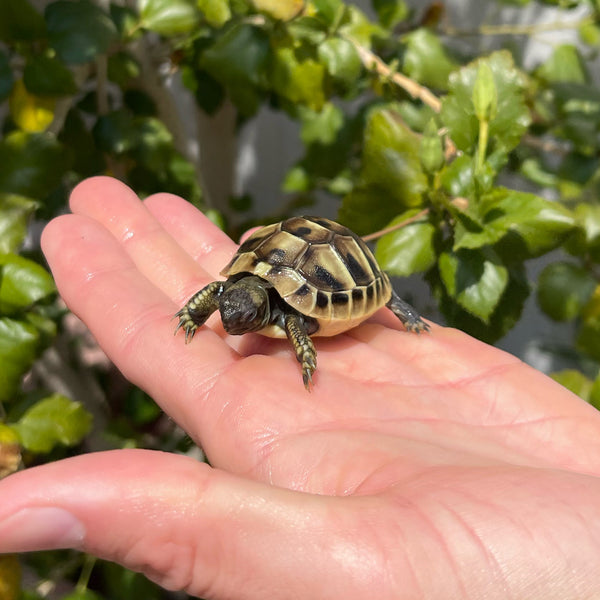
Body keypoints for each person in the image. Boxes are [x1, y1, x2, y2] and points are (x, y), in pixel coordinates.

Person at [1, 176, 600, 599]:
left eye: (241, 315)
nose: (234, 324)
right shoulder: (236, 295)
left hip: (336, 266)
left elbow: (293, 320)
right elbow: (218, 294)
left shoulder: (288, 314)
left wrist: (306, 350)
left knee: (334, 313)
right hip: (281, 260)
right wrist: (193, 313)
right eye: (230, 313)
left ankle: (405, 310)